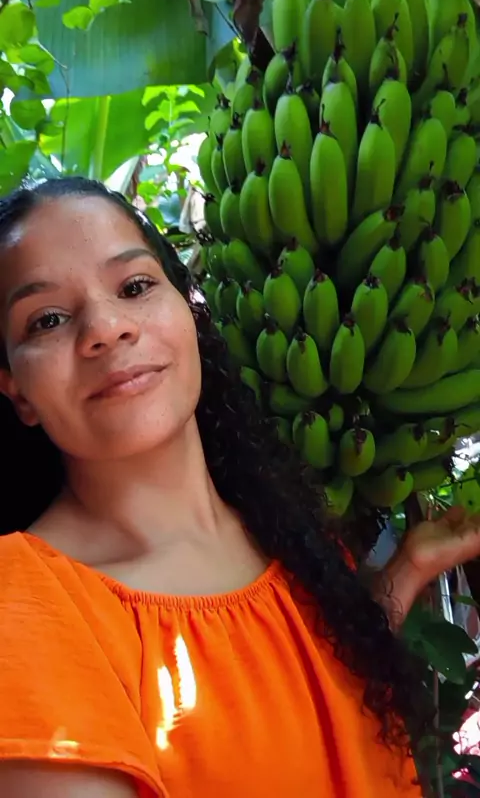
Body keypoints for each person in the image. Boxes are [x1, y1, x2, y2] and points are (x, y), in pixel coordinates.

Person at [0, 176, 479, 798]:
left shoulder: (286, 539)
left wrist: (410, 567)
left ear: (188, 311)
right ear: (16, 390)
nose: (107, 327)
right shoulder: (23, 603)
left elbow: (306, 698)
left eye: (135, 286)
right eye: (48, 319)